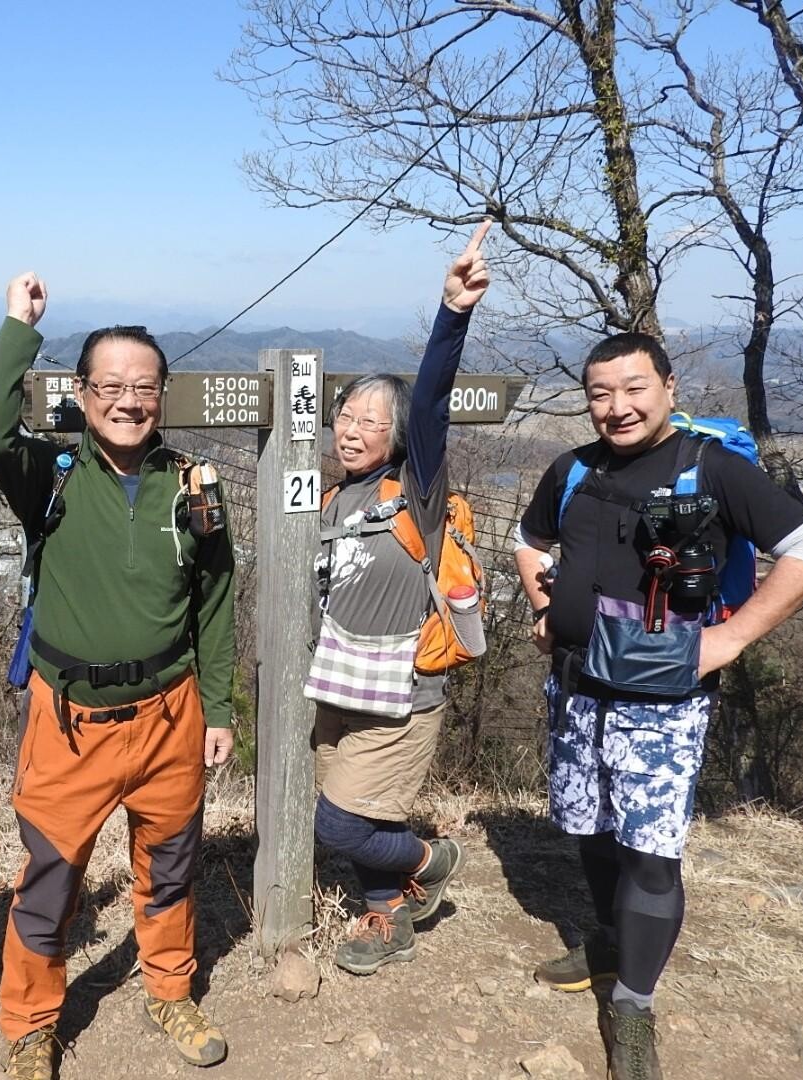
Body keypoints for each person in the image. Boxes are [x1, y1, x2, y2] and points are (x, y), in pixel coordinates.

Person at [513, 333, 803, 1079]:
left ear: (667, 386)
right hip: (577, 686)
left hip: (663, 700)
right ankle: (606, 941)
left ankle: (633, 1004)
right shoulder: (574, 469)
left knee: (651, 855)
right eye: (601, 394)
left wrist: (731, 641)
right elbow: (527, 540)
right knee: (591, 829)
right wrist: (543, 604)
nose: (617, 407)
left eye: (634, 388)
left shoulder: (712, 470)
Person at [0, 274, 236, 1079]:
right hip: (68, 718)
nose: (128, 400)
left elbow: (217, 602)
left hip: (170, 711)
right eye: (111, 386)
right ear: (82, 394)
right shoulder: (47, 474)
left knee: (171, 868)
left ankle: (170, 989)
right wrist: (20, 326)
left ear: (164, 395)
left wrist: (219, 706)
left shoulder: (197, 486)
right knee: (50, 882)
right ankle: (29, 1025)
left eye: (144, 387)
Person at [310, 221, 491, 976]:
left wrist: (452, 313)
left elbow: (432, 408)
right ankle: (390, 915)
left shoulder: (413, 493)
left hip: (405, 688)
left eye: (370, 422)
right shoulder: (329, 494)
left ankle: (431, 857)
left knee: (340, 823)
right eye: (345, 416)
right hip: (340, 680)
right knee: (358, 814)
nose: (353, 431)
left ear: (395, 437)